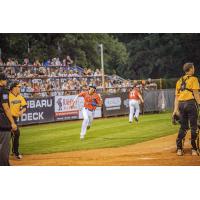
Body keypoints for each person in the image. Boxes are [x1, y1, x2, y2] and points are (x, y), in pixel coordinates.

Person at [172, 63, 200, 156]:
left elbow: (176, 97)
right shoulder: (194, 79)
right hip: (191, 104)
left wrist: (175, 110)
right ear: (191, 69)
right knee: (194, 126)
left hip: (181, 104)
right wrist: (199, 103)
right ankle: (194, 149)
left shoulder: (179, 81)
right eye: (193, 68)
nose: (194, 69)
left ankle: (179, 149)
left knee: (183, 127)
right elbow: (196, 94)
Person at [0, 73, 17, 166]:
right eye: (5, 80)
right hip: (2, 121)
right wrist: (12, 122)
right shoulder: (3, 91)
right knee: (4, 145)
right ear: (1, 80)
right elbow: (6, 108)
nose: (6, 82)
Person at [9, 82, 27, 159]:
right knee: (9, 136)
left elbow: (25, 106)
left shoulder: (20, 97)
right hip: (7, 118)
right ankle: (15, 153)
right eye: (18, 87)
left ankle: (15, 152)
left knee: (15, 134)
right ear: (14, 88)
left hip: (15, 119)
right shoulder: (7, 96)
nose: (19, 88)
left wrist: (22, 111)